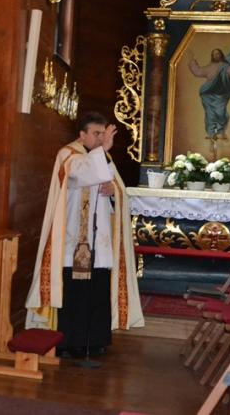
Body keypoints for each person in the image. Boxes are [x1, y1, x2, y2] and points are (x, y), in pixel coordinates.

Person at [25, 111, 144, 358]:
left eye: (103, 134)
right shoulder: (68, 154)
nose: (101, 138)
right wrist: (104, 151)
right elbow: (82, 174)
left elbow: (119, 191)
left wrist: (113, 192)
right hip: (73, 242)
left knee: (97, 291)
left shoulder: (102, 158)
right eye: (96, 133)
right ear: (82, 134)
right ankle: (68, 343)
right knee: (75, 293)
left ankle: (96, 341)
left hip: (100, 243)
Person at [188, 43, 230, 140]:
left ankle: (220, 131)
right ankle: (211, 133)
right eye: (214, 54)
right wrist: (192, 60)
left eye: (218, 53)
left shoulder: (225, 67)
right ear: (212, 56)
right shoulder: (209, 67)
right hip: (208, 94)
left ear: (221, 55)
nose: (216, 55)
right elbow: (198, 72)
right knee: (210, 114)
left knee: (221, 114)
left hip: (221, 95)